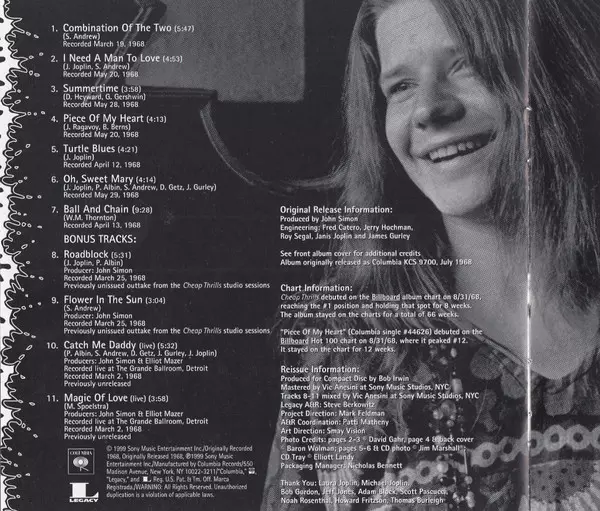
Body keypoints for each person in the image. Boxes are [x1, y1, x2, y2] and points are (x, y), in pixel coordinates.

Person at [262, 0, 600, 509]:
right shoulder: (339, 351)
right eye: (400, 86)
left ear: (555, 72)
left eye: (467, 64)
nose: (429, 109)